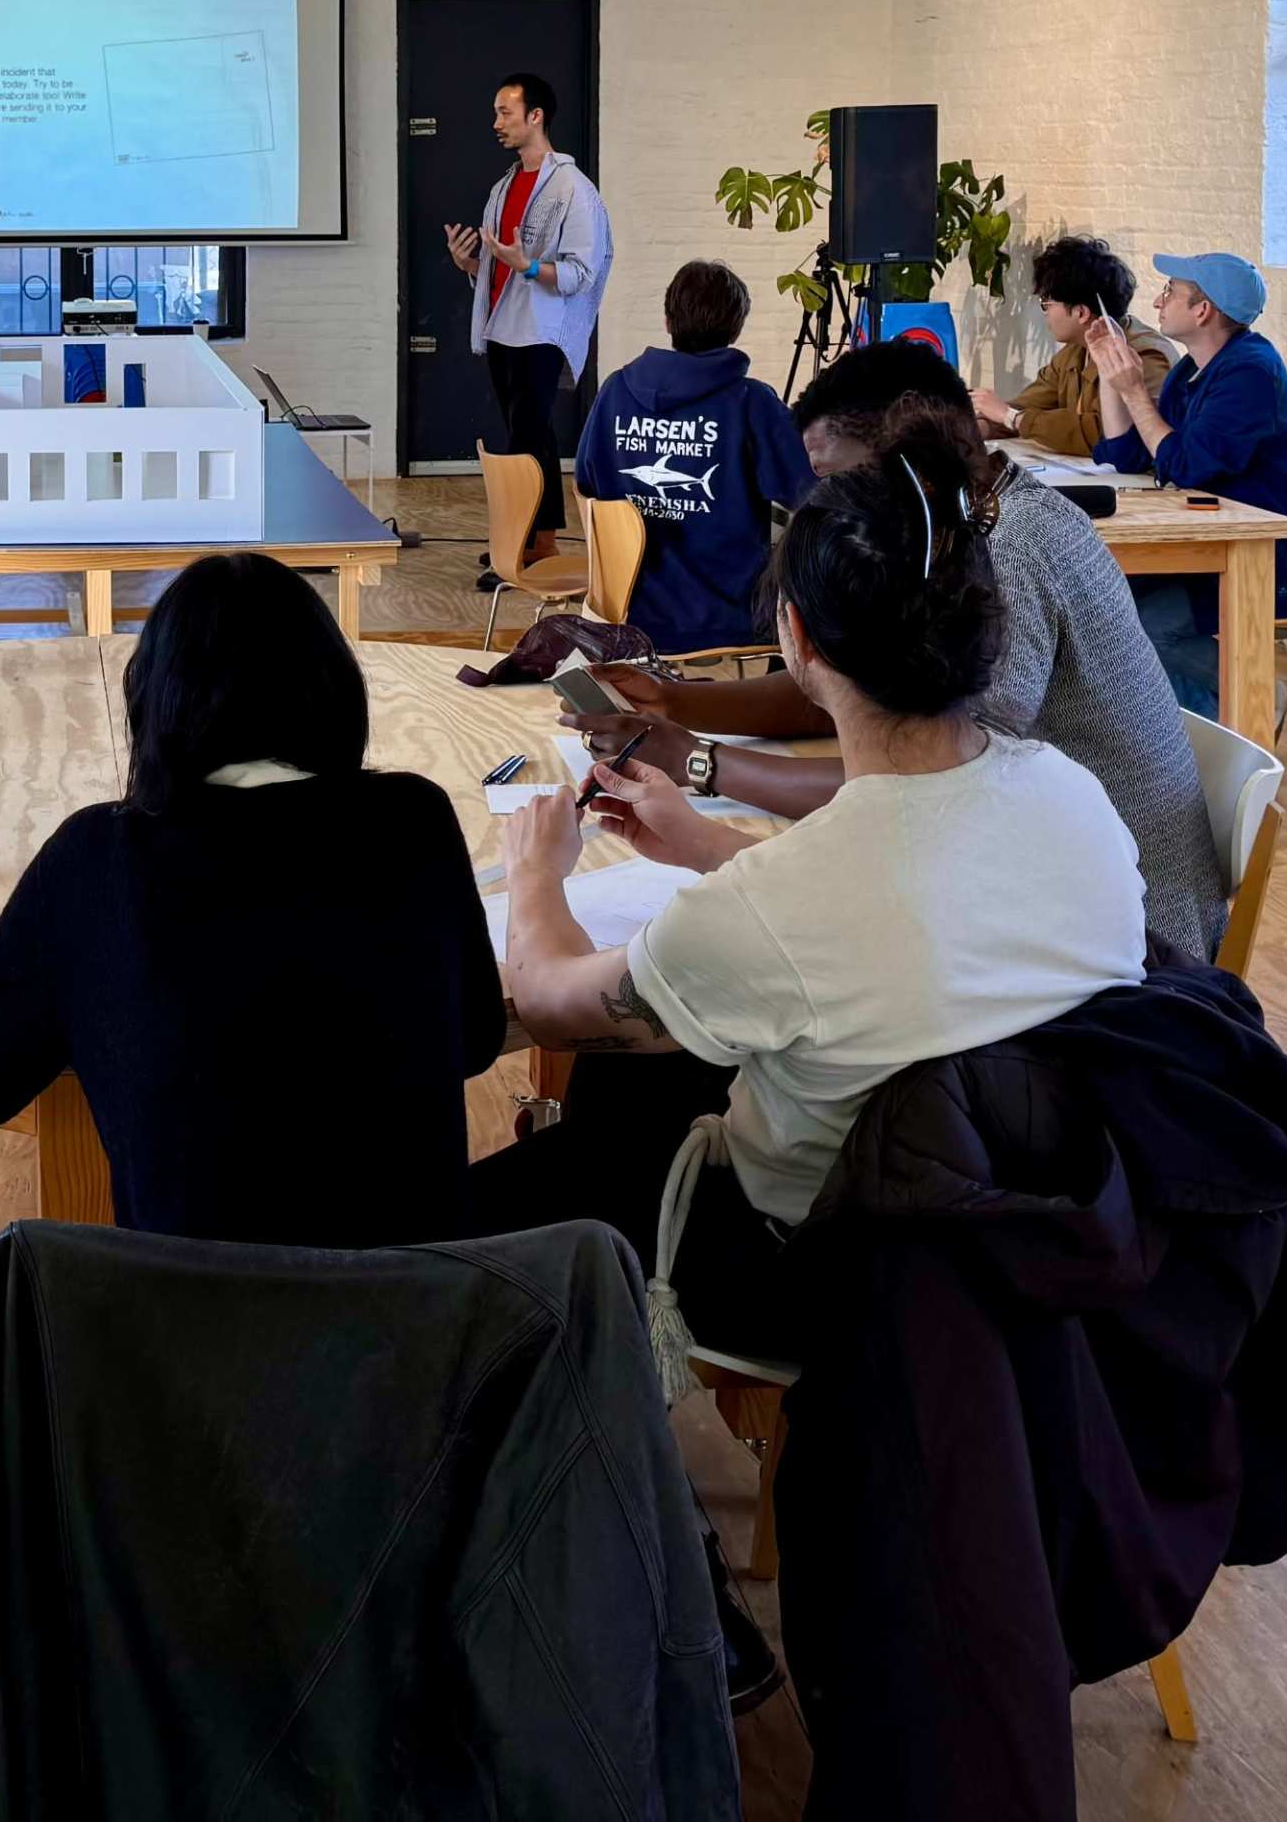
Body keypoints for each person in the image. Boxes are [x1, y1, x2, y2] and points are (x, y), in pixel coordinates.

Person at [468, 456, 1149, 1369]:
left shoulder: (783, 900)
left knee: (472, 1214)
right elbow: (895, 917)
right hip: (1038, 1239)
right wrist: (707, 845)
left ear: (797, 638)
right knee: (630, 1080)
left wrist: (535, 874)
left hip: (828, 1274)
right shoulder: (1075, 796)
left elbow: (551, 1001)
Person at [0, 552, 502, 1246]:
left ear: (154, 699)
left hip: (185, 1312)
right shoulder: (414, 820)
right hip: (427, 1304)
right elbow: (475, 1039)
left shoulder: (100, 853)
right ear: (336, 687)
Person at [570, 342, 1227, 960]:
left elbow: (933, 781)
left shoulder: (1005, 550)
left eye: (835, 477)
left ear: (907, 450)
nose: (826, 504)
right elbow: (857, 690)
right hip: (1052, 893)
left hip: (1132, 943)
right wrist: (676, 701)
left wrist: (701, 761)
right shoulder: (970, 523)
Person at [1088, 252, 1287, 714]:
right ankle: (1217, 721)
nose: (1157, 301)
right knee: (1112, 604)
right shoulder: (1192, 370)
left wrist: (1134, 390)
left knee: (1150, 625)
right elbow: (1130, 454)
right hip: (1229, 547)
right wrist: (1109, 373)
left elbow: (1185, 465)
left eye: (1170, 291)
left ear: (1203, 310)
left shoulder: (1251, 372)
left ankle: (1253, 705)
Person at [573, 261, 812, 659]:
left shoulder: (615, 391)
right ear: (736, 329)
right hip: (727, 615)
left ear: (668, 321)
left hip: (623, 609)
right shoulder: (751, 402)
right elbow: (808, 493)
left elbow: (586, 483)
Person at [447, 71, 610, 559]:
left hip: (540, 333)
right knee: (524, 437)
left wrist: (530, 266)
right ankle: (528, 536)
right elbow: (502, 268)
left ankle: (540, 543)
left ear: (535, 116)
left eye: (506, 112)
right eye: (496, 113)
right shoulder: (505, 185)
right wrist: (470, 264)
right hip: (503, 329)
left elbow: (582, 271)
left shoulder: (572, 188)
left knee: (531, 435)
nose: (497, 123)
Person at [971, 233, 1170, 456]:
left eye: (1046, 303)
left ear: (1081, 312)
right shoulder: (1073, 353)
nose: (1045, 314)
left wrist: (1011, 417)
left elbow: (1102, 434)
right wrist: (983, 427)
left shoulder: (1144, 355)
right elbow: (1025, 407)